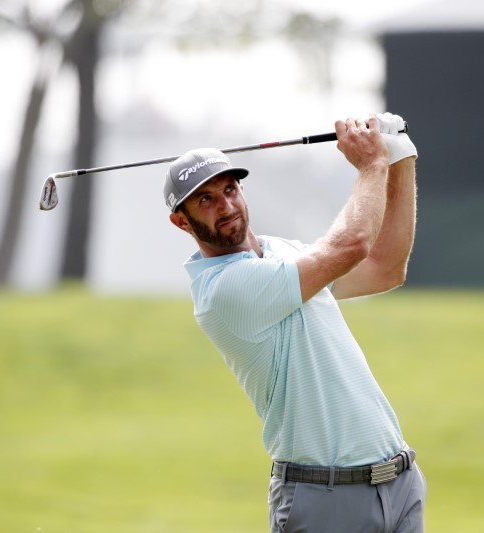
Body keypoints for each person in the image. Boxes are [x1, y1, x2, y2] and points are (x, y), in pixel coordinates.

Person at [164, 113, 425, 532]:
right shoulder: (224, 289)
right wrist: (372, 165)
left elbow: (385, 267)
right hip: (326, 500)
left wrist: (400, 158)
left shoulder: (281, 251)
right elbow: (353, 244)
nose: (226, 206)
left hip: (399, 486)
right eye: (205, 200)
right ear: (181, 220)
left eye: (229, 189)